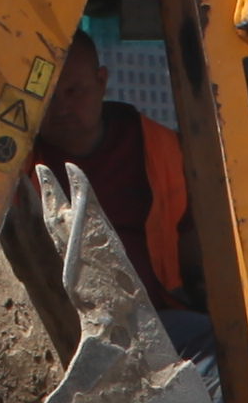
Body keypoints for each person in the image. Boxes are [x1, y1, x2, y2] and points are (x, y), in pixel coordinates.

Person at [35, 29, 202, 315]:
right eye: (48, 95)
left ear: (101, 81)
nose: (61, 107)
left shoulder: (161, 148)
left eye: (73, 91)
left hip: (161, 319)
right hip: (61, 329)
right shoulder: (12, 169)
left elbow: (198, 246)